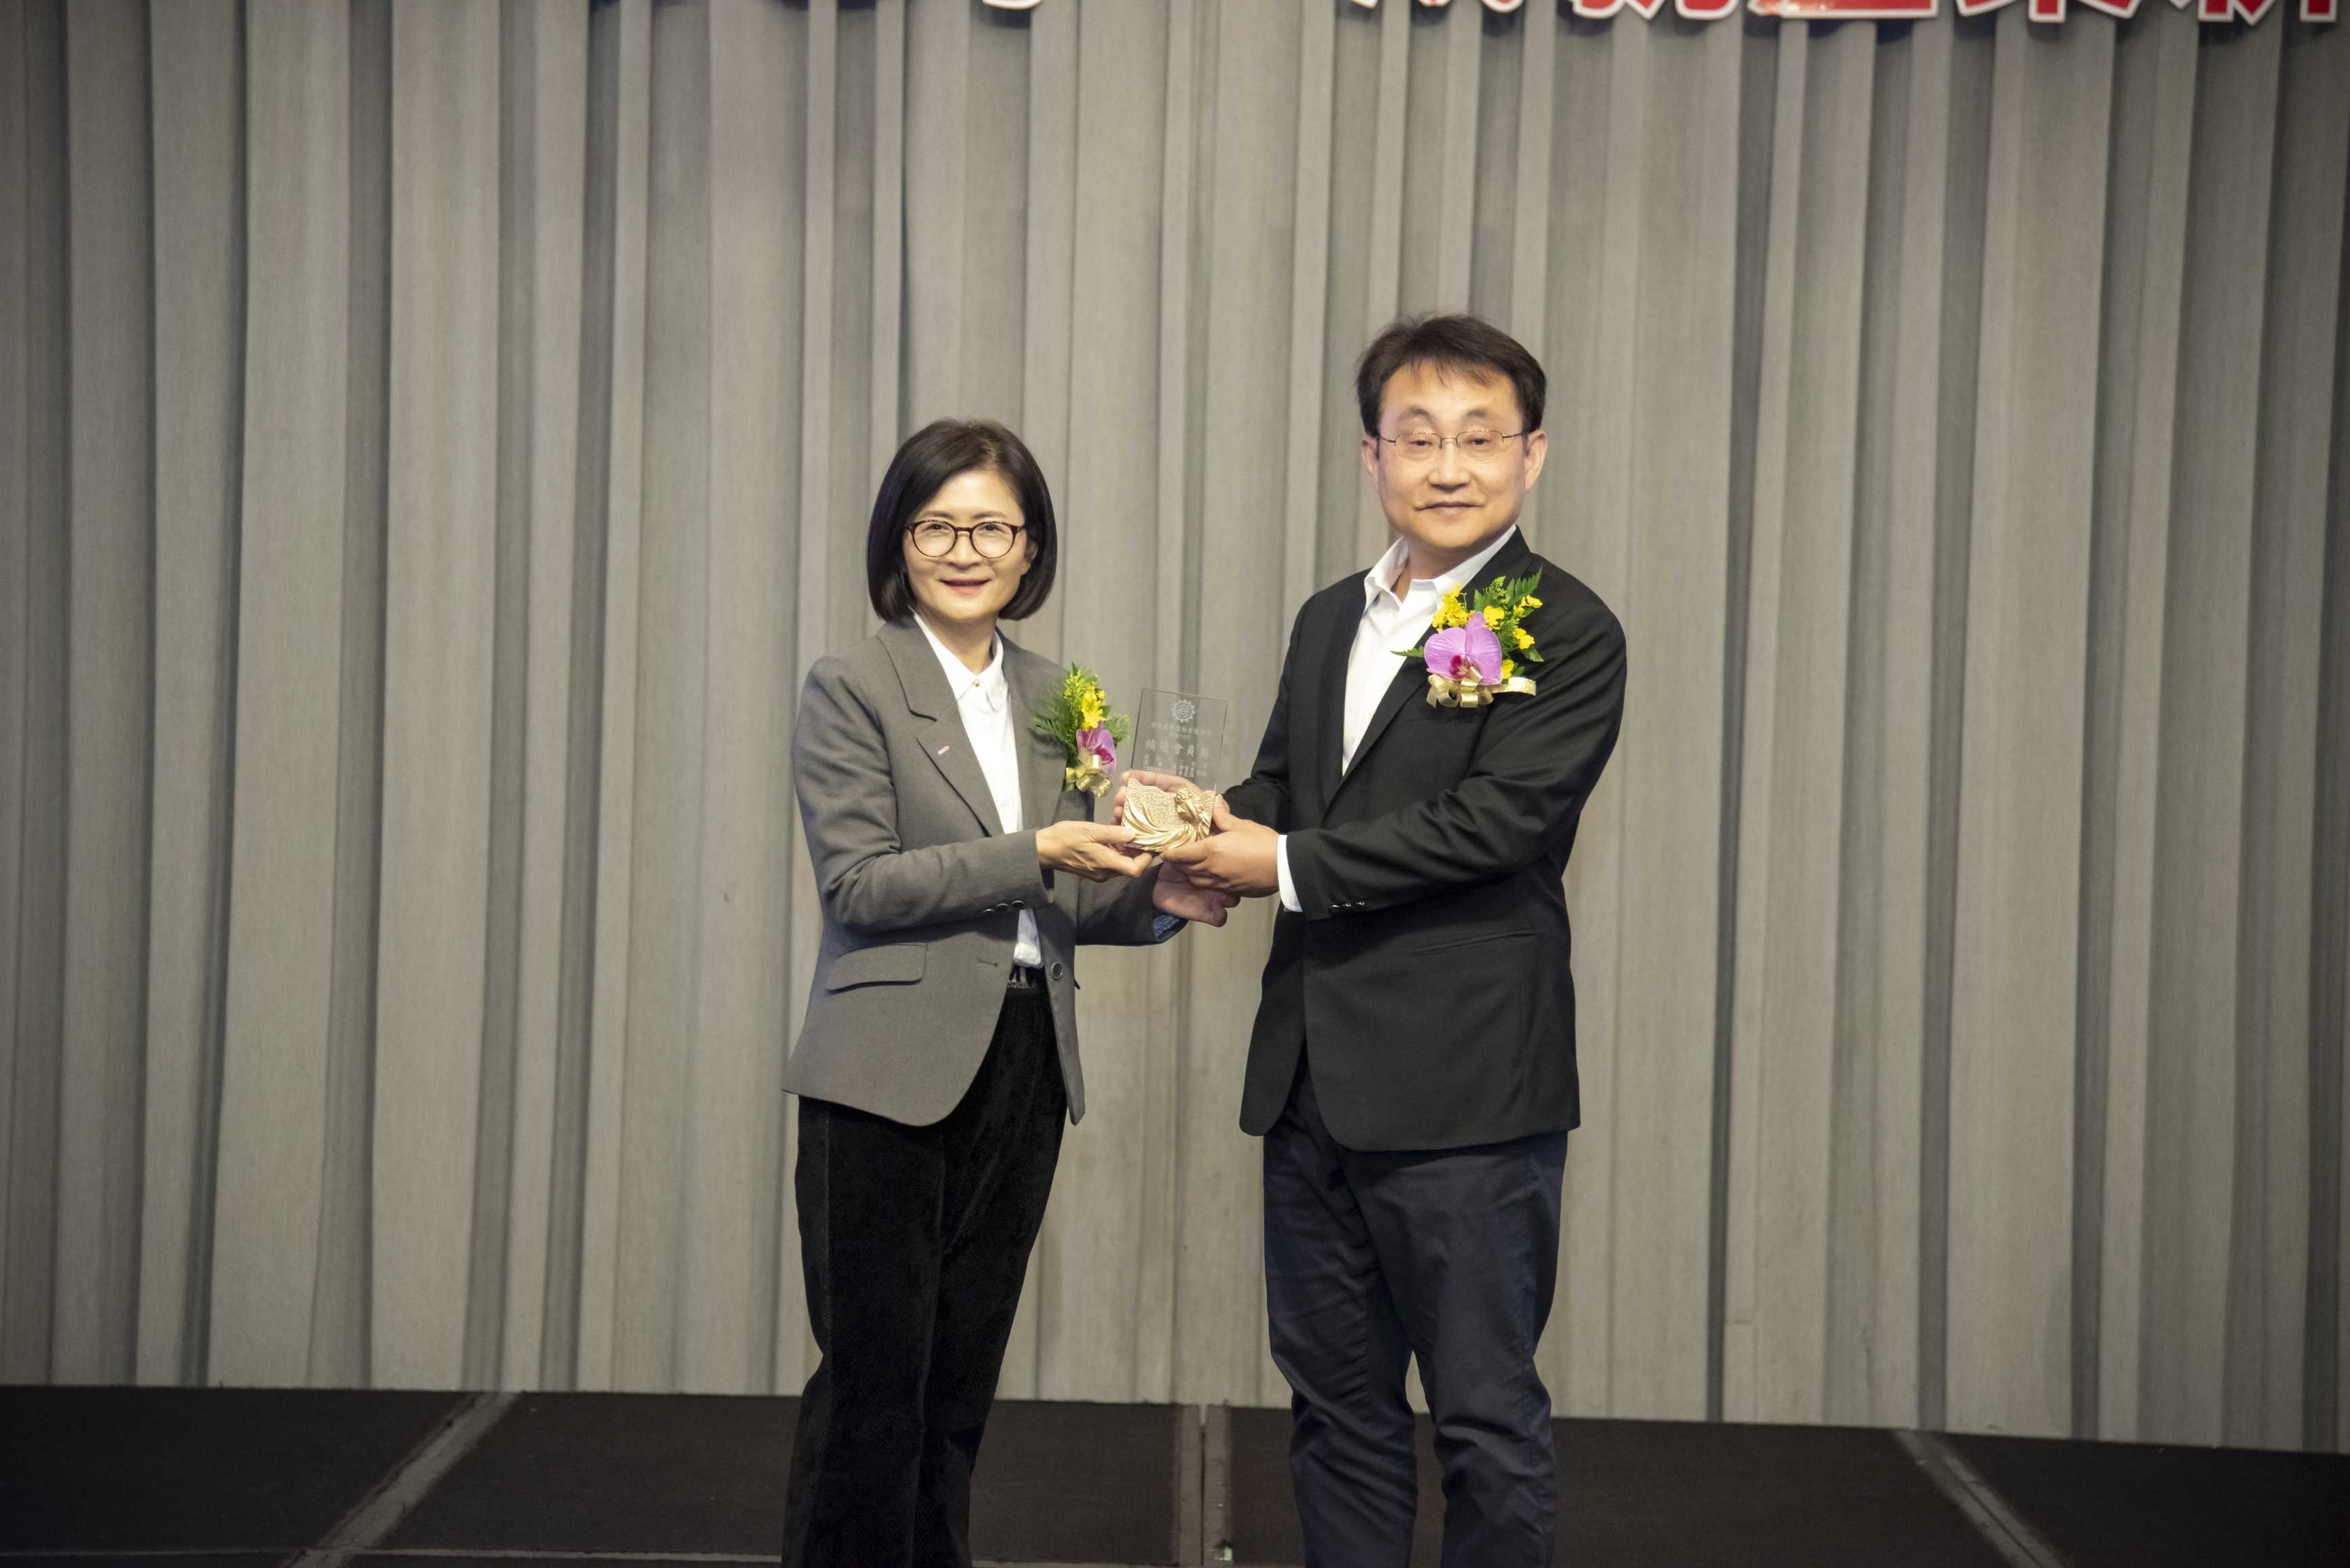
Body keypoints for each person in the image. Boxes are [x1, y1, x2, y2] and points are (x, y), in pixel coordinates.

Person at [1135, 314, 1626, 1565]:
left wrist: (1279, 863)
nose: (1447, 467)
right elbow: (1286, 790)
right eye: (1417, 438)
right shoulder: (1326, 619)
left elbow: (1497, 823)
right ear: (1372, 457)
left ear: (1532, 454)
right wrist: (1194, 823)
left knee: (1483, 1418)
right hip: (1311, 1086)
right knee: (1336, 1411)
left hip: (1467, 1094)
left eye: (1479, 438)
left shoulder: (1565, 627)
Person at [783, 417, 1234, 1568]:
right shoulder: (853, 684)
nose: (965, 550)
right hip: (886, 1071)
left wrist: (1161, 896)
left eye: (992, 527)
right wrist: (1038, 848)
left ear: (1030, 547)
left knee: (958, 1385)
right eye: (937, 526)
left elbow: (1066, 896)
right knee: (875, 1387)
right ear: (897, 541)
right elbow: (861, 885)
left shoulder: (1057, 694)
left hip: (1026, 1063)